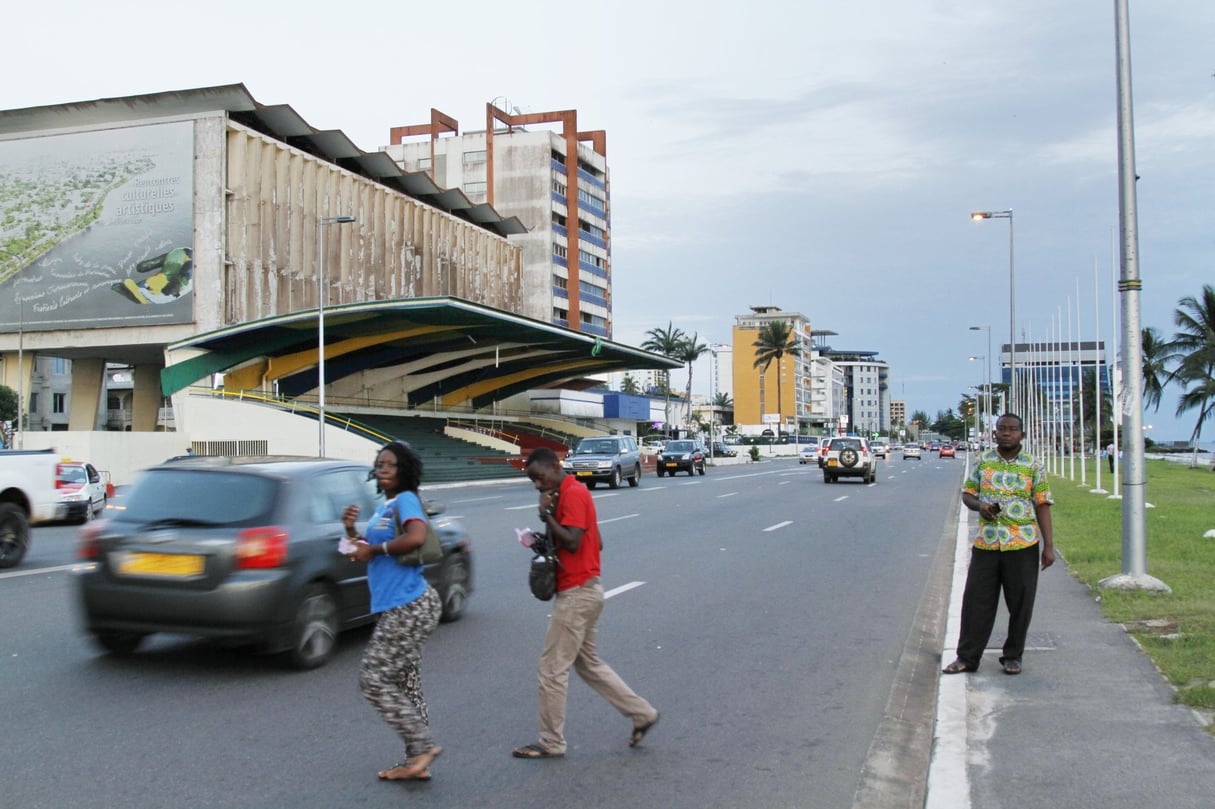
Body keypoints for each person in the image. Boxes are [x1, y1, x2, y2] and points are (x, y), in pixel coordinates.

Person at [512, 446, 660, 759]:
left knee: (551, 669)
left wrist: (546, 516)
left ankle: (551, 741)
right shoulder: (568, 495)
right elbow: (595, 541)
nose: (537, 485)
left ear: (555, 466)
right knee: (588, 664)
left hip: (577, 594)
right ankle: (642, 713)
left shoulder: (572, 494)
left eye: (539, 477)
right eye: (533, 481)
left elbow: (574, 540)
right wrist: (545, 537)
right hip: (587, 590)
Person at [342, 441, 443, 781]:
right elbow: (366, 551)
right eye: (379, 464)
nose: (383, 469)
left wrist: (376, 548)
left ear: (404, 470)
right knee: (407, 684)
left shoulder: (407, 499)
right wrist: (350, 532)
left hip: (409, 605)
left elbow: (415, 537)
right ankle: (417, 760)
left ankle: (421, 745)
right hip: (398, 605)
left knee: (372, 678)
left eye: (390, 465)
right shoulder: (386, 507)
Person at [944, 413, 1055, 676]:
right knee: (976, 602)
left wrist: (1049, 546)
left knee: (1020, 603)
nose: (1006, 433)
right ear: (994, 434)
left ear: (1022, 435)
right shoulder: (984, 463)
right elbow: (968, 494)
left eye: (1012, 429)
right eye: (1001, 429)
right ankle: (967, 658)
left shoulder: (1033, 466)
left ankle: (1013, 656)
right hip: (987, 545)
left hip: (1023, 544)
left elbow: (1043, 504)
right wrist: (980, 506)